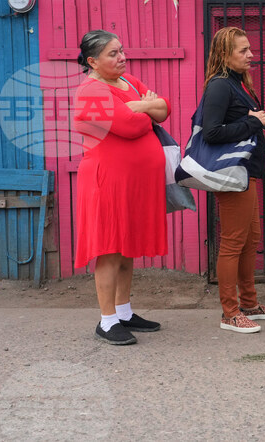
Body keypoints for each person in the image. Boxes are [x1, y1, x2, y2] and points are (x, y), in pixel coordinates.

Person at [73, 30, 170, 345]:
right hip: (107, 180)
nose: (122, 57)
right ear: (93, 61)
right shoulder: (90, 91)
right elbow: (129, 127)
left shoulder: (127, 82)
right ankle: (107, 320)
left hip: (132, 182)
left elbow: (164, 109)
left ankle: (124, 312)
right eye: (113, 54)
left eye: (122, 51)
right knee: (110, 248)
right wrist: (145, 109)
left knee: (127, 247)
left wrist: (143, 108)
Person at [201, 27, 265, 334]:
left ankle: (249, 303)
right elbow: (212, 132)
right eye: (242, 51)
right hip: (232, 173)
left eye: (249, 49)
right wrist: (252, 121)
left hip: (247, 172)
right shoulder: (220, 86)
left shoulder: (237, 83)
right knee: (234, 242)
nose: (250, 55)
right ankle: (229, 312)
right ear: (224, 55)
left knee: (251, 239)